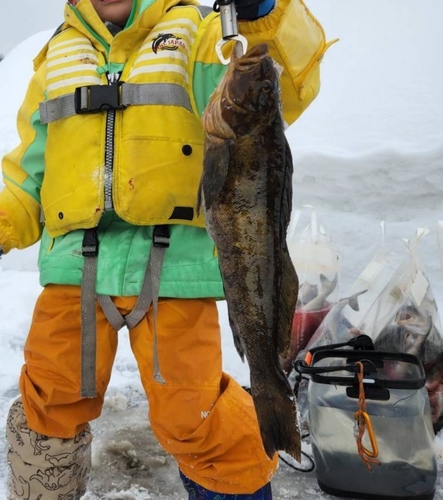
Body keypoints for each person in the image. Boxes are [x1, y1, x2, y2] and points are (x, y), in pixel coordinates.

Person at [1, 0, 330, 498]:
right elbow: (27, 177)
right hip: (73, 271)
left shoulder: (197, 31)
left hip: (173, 267)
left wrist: (261, 14)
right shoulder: (55, 56)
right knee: (47, 406)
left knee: (195, 413)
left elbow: (284, 81)